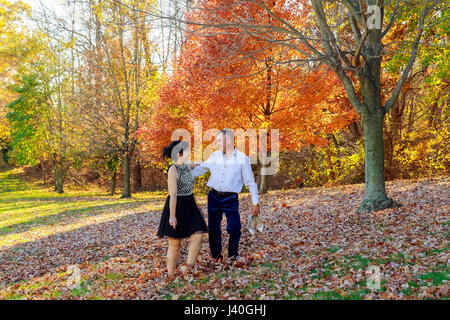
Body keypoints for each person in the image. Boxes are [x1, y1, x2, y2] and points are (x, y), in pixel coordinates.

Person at [191, 128, 261, 262]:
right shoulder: (214, 156)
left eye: (219, 141)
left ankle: (232, 254)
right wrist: (183, 171)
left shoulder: (242, 159)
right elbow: (199, 170)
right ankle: (216, 256)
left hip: (231, 199)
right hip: (213, 197)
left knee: (235, 228)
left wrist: (255, 203)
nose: (216, 143)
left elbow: (251, 183)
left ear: (228, 141)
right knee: (213, 229)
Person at [157, 140, 208, 282]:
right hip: (176, 206)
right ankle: (171, 276)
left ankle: (188, 269)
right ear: (179, 154)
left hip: (190, 204)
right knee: (175, 244)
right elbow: (173, 195)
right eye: (187, 151)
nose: (189, 153)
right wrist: (172, 217)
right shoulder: (173, 170)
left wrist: (201, 163)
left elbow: (194, 164)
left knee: (198, 236)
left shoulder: (186, 166)